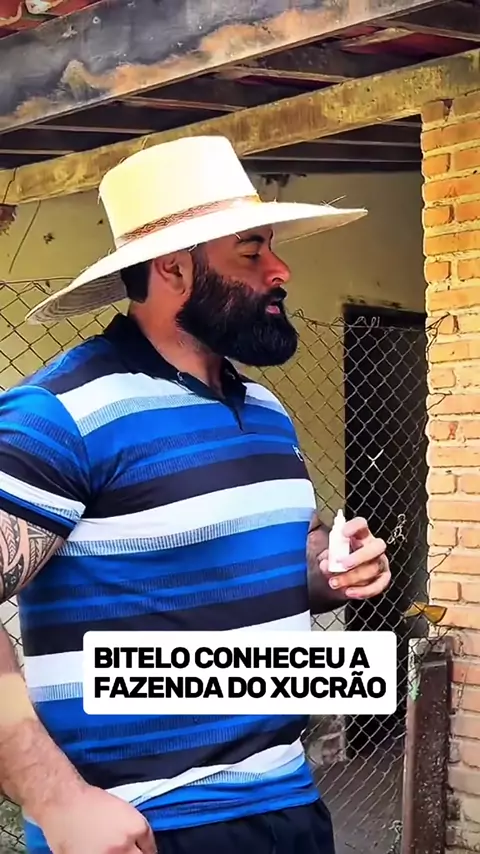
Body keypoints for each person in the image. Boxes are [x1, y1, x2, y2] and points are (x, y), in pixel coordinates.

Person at [0, 136, 391, 854]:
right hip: (144, 827)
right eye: (251, 251)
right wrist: (58, 801)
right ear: (174, 267)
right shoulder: (62, 413)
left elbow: (273, 568)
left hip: (292, 804)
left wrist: (330, 571)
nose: (280, 270)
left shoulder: (266, 411)